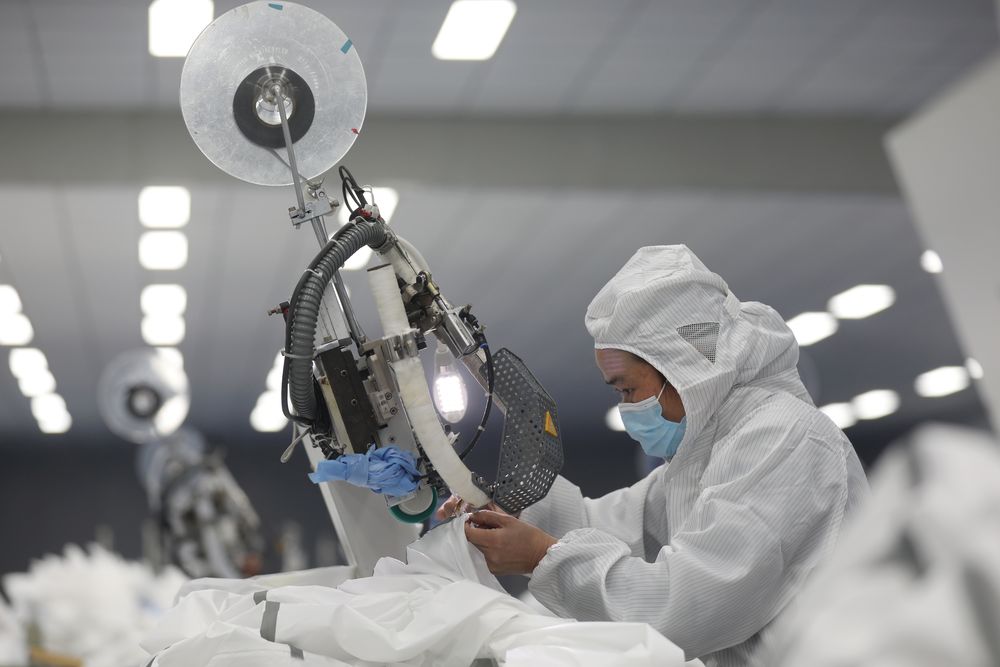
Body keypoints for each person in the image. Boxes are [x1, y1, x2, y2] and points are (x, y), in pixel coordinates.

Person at [437, 245, 869, 667]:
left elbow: (688, 603)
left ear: (686, 366)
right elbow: (620, 528)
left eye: (627, 389)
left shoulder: (782, 439)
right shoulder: (709, 450)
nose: (627, 408)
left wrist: (542, 557)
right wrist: (507, 513)